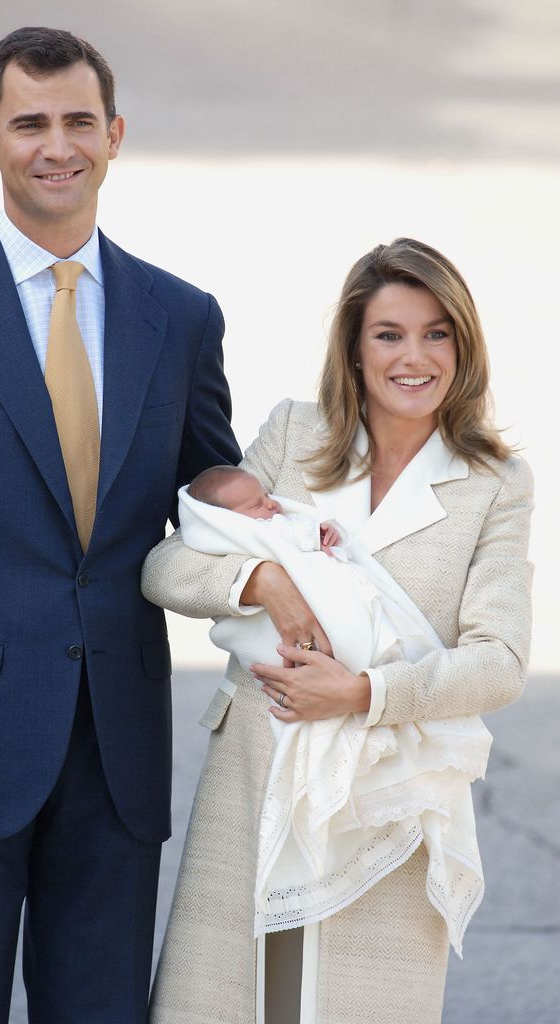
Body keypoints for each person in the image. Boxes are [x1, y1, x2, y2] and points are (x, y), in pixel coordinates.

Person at [0, 25, 240, 1024]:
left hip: (115, 755)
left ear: (115, 132)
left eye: (78, 120)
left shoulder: (178, 318)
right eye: (30, 122)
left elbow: (212, 491)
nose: (58, 145)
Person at [142, 237, 533, 1024]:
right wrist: (266, 581)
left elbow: (500, 663)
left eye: (437, 332)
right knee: (230, 1002)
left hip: (385, 795)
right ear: (355, 351)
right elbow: (166, 567)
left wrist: (361, 692)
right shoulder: (295, 433)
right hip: (258, 773)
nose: (413, 356)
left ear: (464, 343)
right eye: (388, 334)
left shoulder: (495, 481)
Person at [188, 465, 341, 552]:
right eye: (256, 505)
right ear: (227, 519)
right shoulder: (244, 533)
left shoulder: (270, 519)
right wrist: (314, 535)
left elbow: (290, 524)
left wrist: (320, 528)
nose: (271, 503)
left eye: (267, 495)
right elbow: (283, 534)